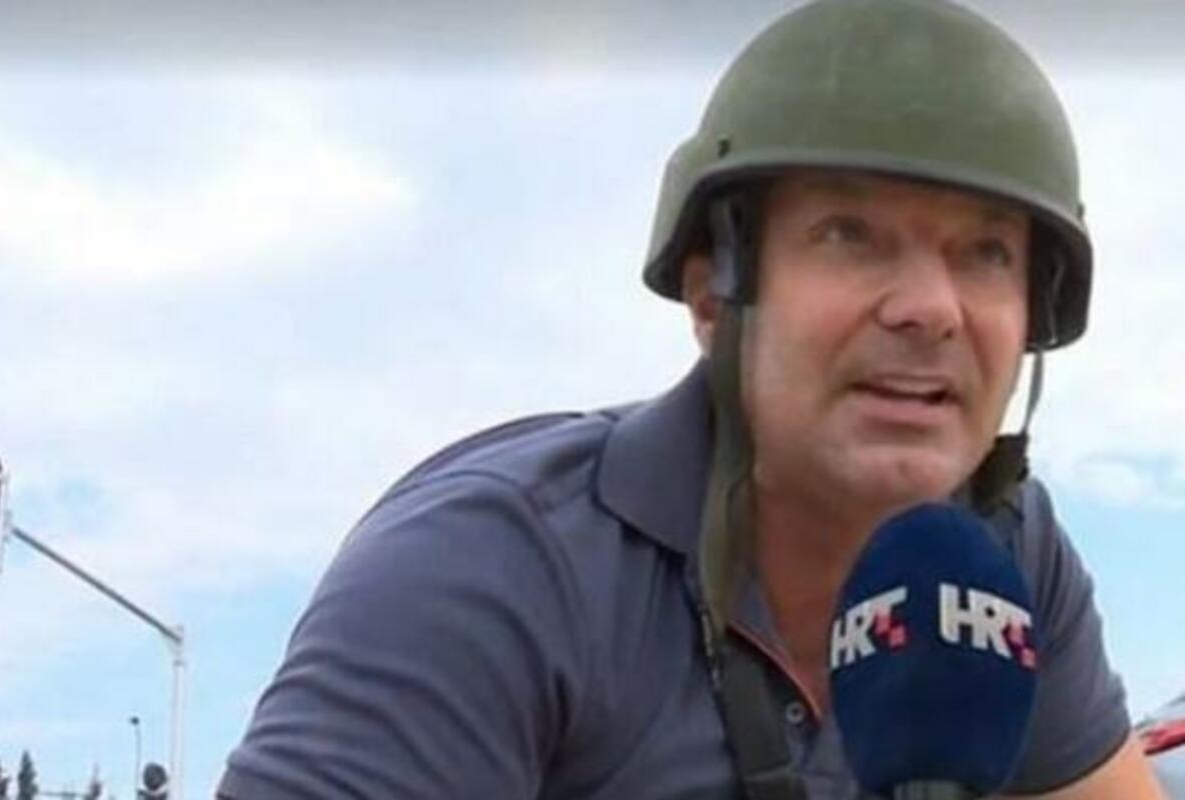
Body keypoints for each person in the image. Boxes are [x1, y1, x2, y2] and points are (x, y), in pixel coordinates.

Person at [217, 1, 1166, 797]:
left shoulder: (1004, 555)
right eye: (850, 234)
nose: (931, 308)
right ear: (715, 295)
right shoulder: (495, 569)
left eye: (986, 253)